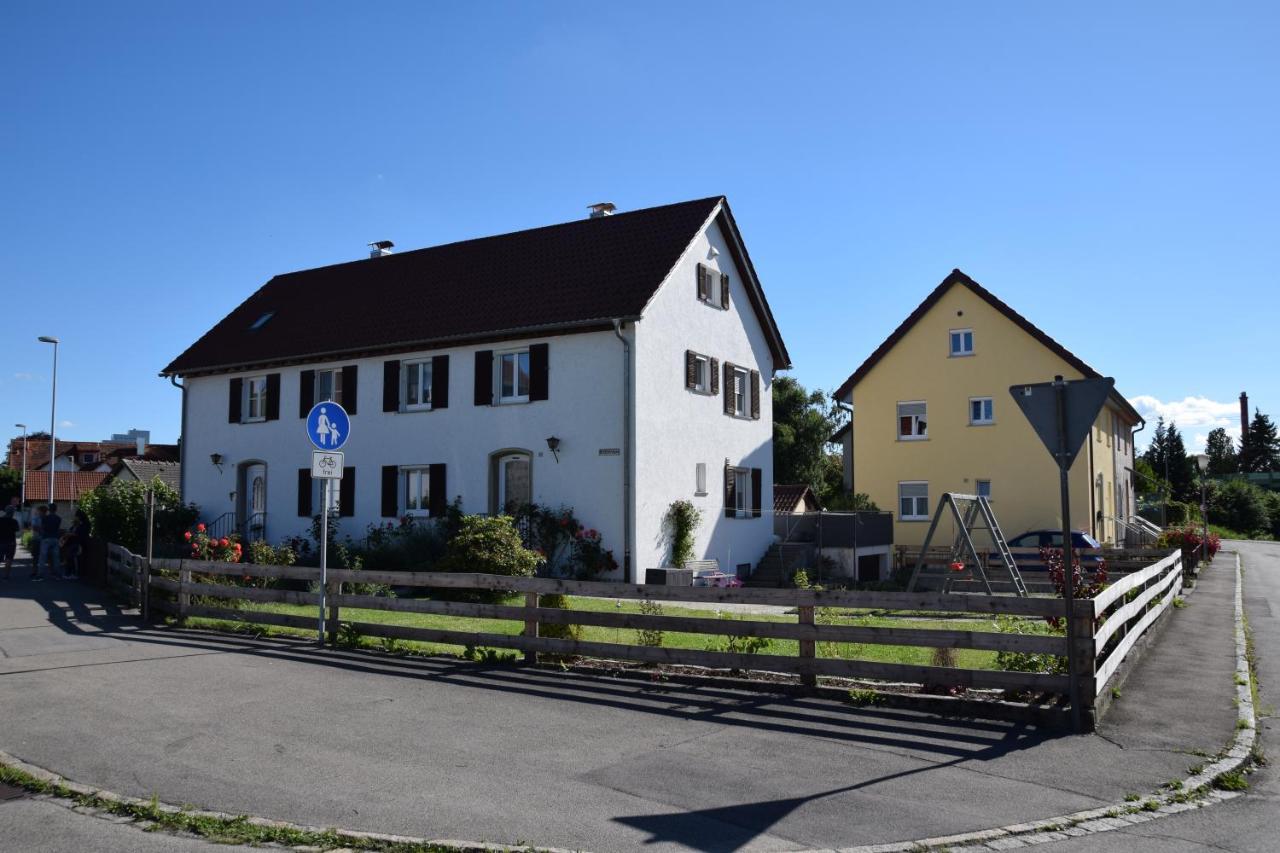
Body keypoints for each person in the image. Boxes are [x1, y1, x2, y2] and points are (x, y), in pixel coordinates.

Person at [36, 504, 61, 581]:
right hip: (55, 538)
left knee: (43, 557)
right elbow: (57, 528)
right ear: (56, 509)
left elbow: (42, 528)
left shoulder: (45, 518)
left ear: (49, 510)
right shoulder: (58, 518)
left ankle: (40, 575)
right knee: (56, 557)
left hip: (46, 538)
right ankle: (56, 574)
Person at [63, 509, 90, 580]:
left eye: (76, 516)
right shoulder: (77, 524)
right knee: (69, 558)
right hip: (72, 543)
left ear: (79, 517)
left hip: (78, 543)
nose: (75, 517)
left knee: (71, 558)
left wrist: (70, 534)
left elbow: (80, 534)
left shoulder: (84, 524)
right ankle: (69, 573)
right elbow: (72, 530)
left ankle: (73, 573)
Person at [0, 506, 18, 580]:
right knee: (9, 559)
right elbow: (17, 530)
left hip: (0, 542)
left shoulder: (0, 520)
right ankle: (6, 576)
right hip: (11, 542)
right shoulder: (14, 521)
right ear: (12, 513)